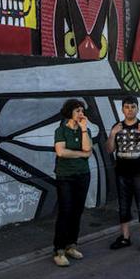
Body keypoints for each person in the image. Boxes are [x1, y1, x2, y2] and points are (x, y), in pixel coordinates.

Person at [105, 95, 140, 252]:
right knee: (123, 206)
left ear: (137, 108)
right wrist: (113, 134)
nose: (130, 110)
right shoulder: (117, 127)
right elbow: (109, 149)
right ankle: (125, 237)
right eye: (127, 107)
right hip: (122, 174)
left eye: (133, 107)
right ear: (122, 109)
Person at [52, 99, 93, 266]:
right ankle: (59, 250)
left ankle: (71, 245)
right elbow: (61, 152)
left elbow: (88, 150)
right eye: (77, 111)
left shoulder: (86, 130)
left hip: (82, 175)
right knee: (65, 211)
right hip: (65, 177)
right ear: (70, 112)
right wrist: (81, 154)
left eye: (82, 111)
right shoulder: (61, 130)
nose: (81, 114)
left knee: (77, 211)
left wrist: (83, 129)